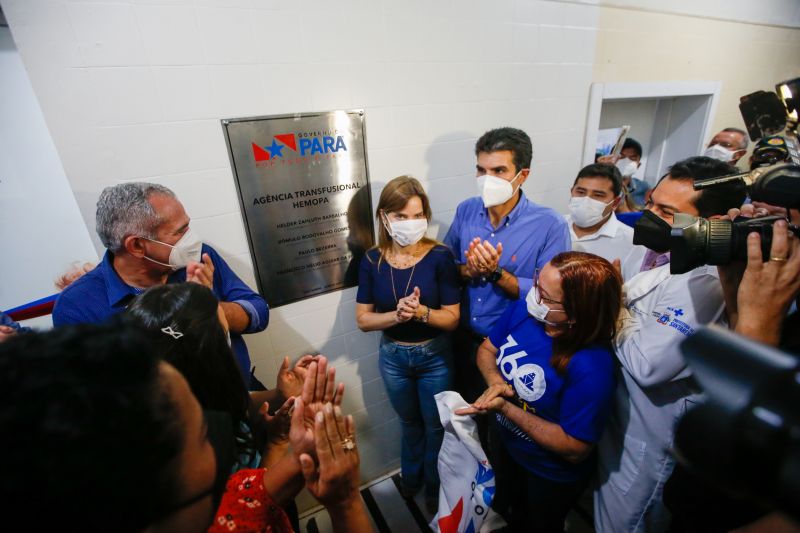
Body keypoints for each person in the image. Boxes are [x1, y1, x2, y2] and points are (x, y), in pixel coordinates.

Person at [0, 322, 371, 532]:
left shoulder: (220, 507)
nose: (219, 443)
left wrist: (306, 451)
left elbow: (251, 495)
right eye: (204, 435)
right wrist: (347, 503)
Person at [594, 156, 747, 533]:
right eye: (650, 203)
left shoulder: (705, 280)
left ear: (709, 226)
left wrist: (611, 305)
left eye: (666, 211)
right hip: (618, 410)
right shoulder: (646, 248)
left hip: (650, 431)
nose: (649, 215)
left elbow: (648, 365)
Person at [455, 252, 622, 532]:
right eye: (536, 284)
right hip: (508, 447)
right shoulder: (526, 311)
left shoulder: (592, 366)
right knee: (512, 509)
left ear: (577, 312)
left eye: (545, 296)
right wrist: (496, 381)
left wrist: (506, 408)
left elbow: (574, 448)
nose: (533, 296)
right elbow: (487, 349)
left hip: (548, 472)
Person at [52, 182, 268, 386]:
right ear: (136, 245)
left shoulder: (199, 259)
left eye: (187, 226)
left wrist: (210, 308)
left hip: (246, 394)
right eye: (179, 231)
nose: (191, 238)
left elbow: (259, 314)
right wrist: (183, 318)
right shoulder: (78, 307)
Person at [126, 282, 315, 473]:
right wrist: (277, 444)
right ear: (211, 355)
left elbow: (230, 404)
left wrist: (279, 396)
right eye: (225, 333)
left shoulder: (177, 395)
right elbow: (250, 500)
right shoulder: (195, 442)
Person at [443, 127, 570, 404]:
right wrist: (470, 270)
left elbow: (549, 297)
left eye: (499, 171)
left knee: (504, 423)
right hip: (463, 340)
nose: (487, 180)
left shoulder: (549, 225)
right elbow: (446, 267)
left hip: (512, 347)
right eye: (481, 170)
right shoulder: (467, 210)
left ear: (522, 175)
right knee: (465, 416)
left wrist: (496, 273)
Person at [356, 175, 460, 511]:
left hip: (435, 356)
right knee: (409, 423)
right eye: (401, 216)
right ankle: (410, 480)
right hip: (393, 358)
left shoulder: (441, 256)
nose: (410, 223)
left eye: (417, 215)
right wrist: (397, 317)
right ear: (384, 218)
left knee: (435, 427)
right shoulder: (372, 260)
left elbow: (452, 318)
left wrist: (421, 312)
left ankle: (433, 486)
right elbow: (363, 320)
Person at [566, 163, 633, 263]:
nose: (586, 200)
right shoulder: (552, 226)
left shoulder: (631, 243)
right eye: (580, 192)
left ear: (615, 203)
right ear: (572, 192)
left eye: (598, 195)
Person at [600, 137, 650, 209]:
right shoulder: (600, 185)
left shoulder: (643, 187)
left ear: (638, 165)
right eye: (621, 156)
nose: (626, 161)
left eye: (632, 158)